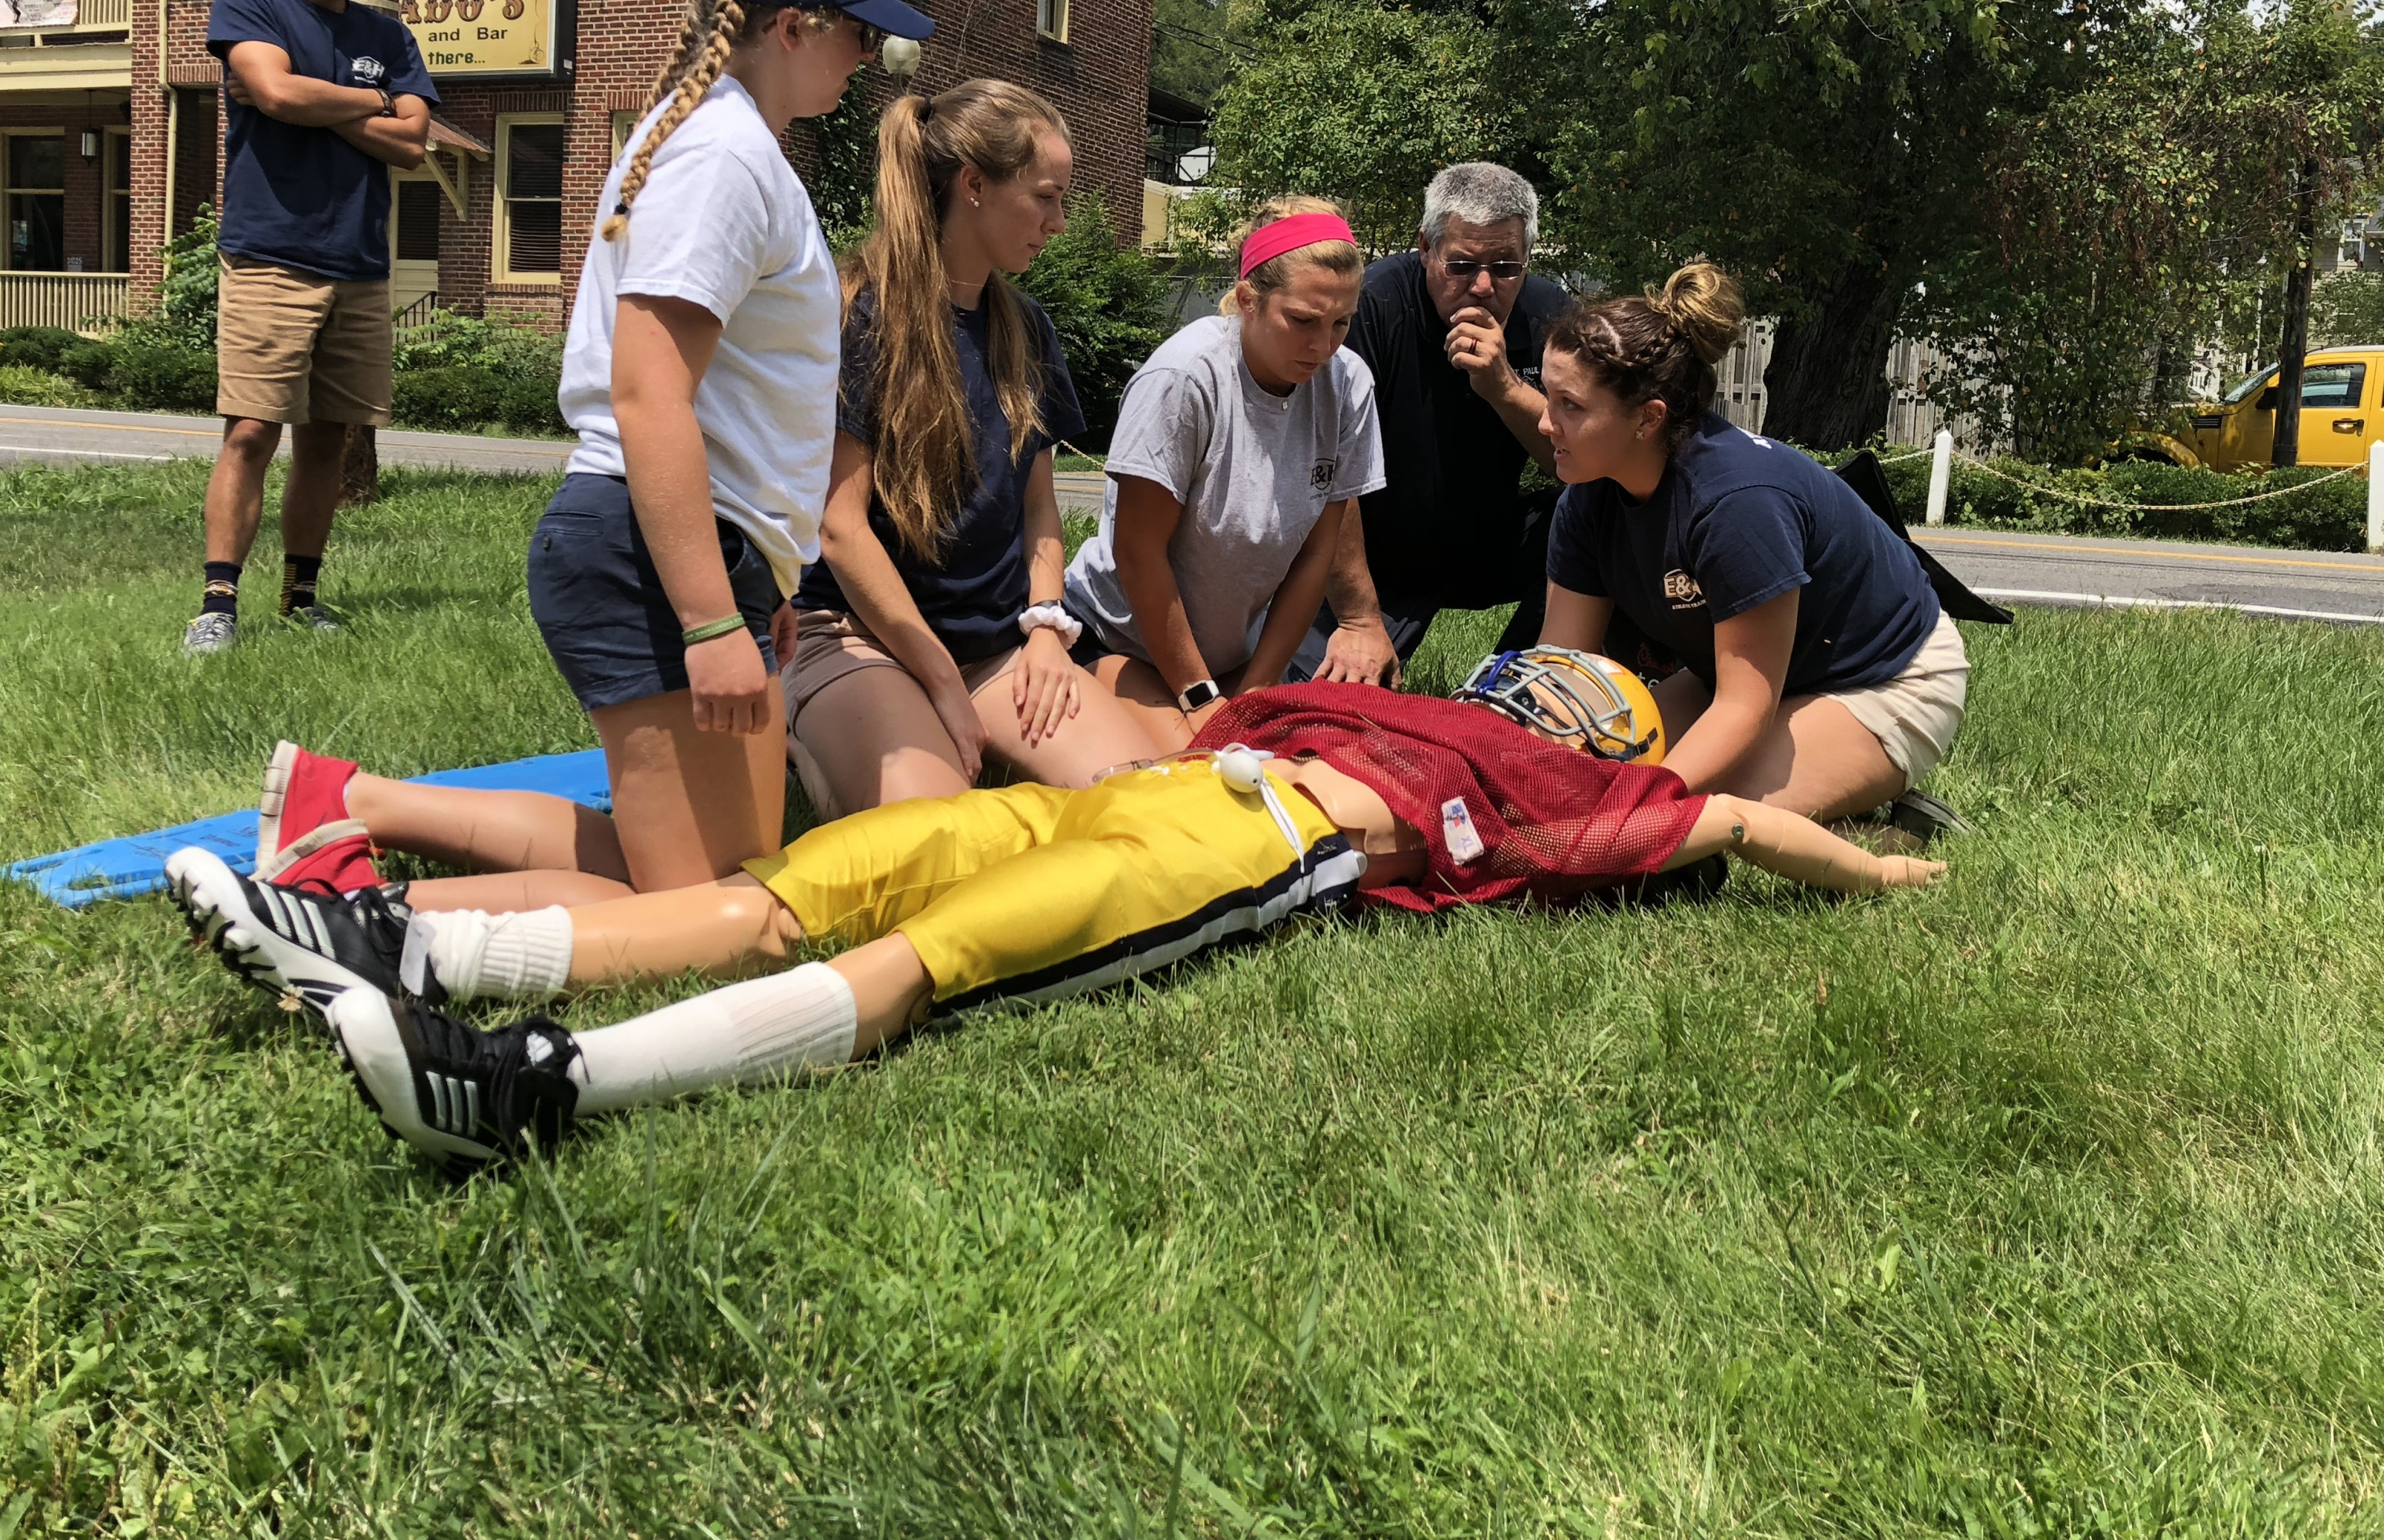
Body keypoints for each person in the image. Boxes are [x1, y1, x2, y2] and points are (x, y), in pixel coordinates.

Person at [162, 653, 1945, 1172]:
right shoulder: (1396, 695)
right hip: (1143, 793)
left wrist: (1870, 863)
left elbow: (1728, 808)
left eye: (1577, 692)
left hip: (1236, 852)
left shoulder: (1568, 794)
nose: (1545, 691)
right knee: (806, 879)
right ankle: (405, 944)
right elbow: (1183, 719)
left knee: (935, 957)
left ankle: (539, 1086)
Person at [246, 0, 933, 908]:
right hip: (649, 556)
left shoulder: (714, 138)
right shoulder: (724, 154)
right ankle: (338, 917)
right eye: (859, 37)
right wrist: (710, 622)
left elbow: (732, 404)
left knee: (713, 876)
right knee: (716, 906)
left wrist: (764, 590)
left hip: (684, 551)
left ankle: (348, 804)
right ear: (796, 26)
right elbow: (650, 394)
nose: (867, 62)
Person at [782, 80, 1155, 820]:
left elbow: (1040, 512)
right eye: (1045, 196)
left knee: (1150, 803)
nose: (1057, 222)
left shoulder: (1026, 328)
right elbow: (837, 526)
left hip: (995, 648)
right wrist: (941, 685)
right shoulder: (860, 314)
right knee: (937, 840)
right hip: (854, 637)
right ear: (974, 185)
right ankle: (806, 739)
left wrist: (1047, 630)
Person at [1536, 262, 1970, 820]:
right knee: (1583, 782)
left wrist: (1637, 804)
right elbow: (1564, 669)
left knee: (1692, 821)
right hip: (1745, 679)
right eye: (1547, 395)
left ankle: (1892, 818)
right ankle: (1832, 787)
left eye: (1570, 405)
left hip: (1880, 678)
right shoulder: (1589, 493)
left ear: (1649, 419)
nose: (1546, 423)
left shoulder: (1737, 503)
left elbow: (1745, 706)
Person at [183, 0, 437, 655]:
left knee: (329, 436)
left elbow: (414, 141)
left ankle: (301, 598)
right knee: (253, 429)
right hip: (270, 254)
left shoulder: (388, 35)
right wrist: (367, 103)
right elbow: (272, 92)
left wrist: (312, 98)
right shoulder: (252, 3)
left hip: (359, 261)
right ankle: (218, 606)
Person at [1064, 198, 1384, 751]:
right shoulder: (1185, 379)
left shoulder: (1348, 385)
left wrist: (1255, 692)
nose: (1323, 346)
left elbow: (1316, 556)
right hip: (1116, 638)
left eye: (1341, 324)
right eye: (1303, 321)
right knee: (1195, 777)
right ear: (1248, 301)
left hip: (1235, 657)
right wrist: (1201, 698)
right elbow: (1139, 553)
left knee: (1296, 765)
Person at [1289, 162, 1571, 687]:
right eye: (1462, 265)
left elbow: (1584, 457)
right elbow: (1322, 470)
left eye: (1507, 267)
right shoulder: (1373, 307)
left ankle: (1509, 690)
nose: (1484, 287)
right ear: (1426, 248)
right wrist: (1360, 619)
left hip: (1487, 540)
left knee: (1605, 513)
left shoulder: (1549, 313)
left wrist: (1505, 389)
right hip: (1377, 555)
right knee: (1309, 706)